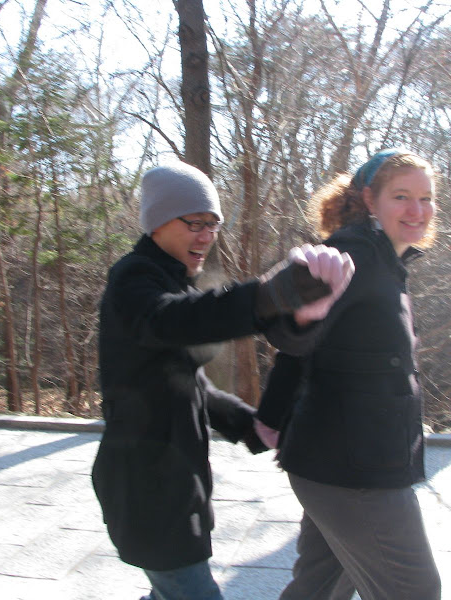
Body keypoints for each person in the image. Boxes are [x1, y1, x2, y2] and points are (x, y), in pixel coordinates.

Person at [91, 160, 354, 600]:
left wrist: (248, 424)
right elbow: (172, 320)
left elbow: (187, 380)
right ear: (157, 223)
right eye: (194, 223)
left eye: (213, 224)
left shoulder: (174, 280)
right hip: (144, 481)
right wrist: (266, 296)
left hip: (175, 476)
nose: (206, 236)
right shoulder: (133, 279)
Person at [255, 148, 442, 600]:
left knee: (317, 590)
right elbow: (277, 314)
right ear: (370, 199)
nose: (417, 210)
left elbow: (306, 353)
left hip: (340, 462)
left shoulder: (387, 262)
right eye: (401, 196)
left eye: (426, 198)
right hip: (354, 472)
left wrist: (271, 417)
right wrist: (296, 313)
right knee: (415, 590)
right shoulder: (353, 254)